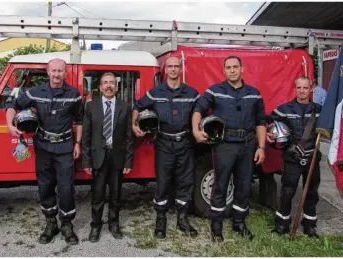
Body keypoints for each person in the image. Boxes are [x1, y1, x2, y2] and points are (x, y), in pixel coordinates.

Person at [6, 58, 83, 245]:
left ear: (65, 73)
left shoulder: (74, 94)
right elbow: (13, 105)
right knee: (45, 186)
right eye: (53, 71)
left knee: (66, 188)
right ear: (47, 72)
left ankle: (66, 224)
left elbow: (80, 120)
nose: (57, 74)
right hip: (43, 147)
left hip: (65, 147)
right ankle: (50, 223)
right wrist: (10, 125)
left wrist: (78, 143)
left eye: (60, 71)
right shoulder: (34, 92)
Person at [192, 56, 267, 242]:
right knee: (220, 185)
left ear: (242, 69)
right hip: (224, 144)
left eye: (235, 67)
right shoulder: (214, 91)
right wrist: (195, 130)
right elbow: (197, 110)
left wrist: (262, 147)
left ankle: (239, 223)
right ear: (223, 71)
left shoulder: (254, 94)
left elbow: (261, 122)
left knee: (243, 185)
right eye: (228, 67)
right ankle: (216, 226)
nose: (232, 70)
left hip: (248, 145)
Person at [132, 56, 200, 239]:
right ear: (165, 70)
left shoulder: (192, 93)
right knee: (162, 183)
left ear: (180, 69)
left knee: (185, 182)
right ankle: (160, 219)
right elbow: (137, 106)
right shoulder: (156, 92)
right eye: (169, 67)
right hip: (163, 144)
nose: (172, 70)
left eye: (176, 66)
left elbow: (201, 111)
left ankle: (182, 219)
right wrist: (134, 123)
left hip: (185, 144)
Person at [82, 72, 134, 242]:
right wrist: (87, 160)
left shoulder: (125, 106)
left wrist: (128, 160)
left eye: (112, 83)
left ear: (117, 87)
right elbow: (87, 136)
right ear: (100, 87)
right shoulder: (91, 106)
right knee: (97, 195)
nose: (109, 86)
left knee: (116, 194)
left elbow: (128, 136)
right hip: (98, 157)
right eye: (105, 83)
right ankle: (96, 226)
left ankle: (114, 224)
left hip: (117, 157)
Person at [268, 76, 321, 238]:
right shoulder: (284, 109)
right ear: (295, 88)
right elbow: (267, 122)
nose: (302, 91)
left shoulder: (320, 110)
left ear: (311, 89)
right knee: (287, 191)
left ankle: (309, 224)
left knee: (311, 192)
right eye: (299, 88)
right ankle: (282, 224)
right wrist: (270, 133)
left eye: (305, 88)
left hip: (312, 158)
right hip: (292, 157)